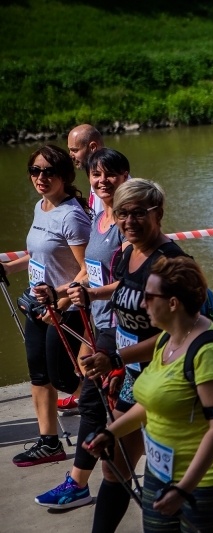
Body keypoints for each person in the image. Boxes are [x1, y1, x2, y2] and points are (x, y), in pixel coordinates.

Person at [85, 256, 213, 532]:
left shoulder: (212, 353)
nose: (141, 303)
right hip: (160, 473)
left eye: (149, 296)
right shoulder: (167, 339)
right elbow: (152, 405)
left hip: (207, 483)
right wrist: (112, 432)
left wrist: (184, 489)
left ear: (173, 303)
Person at [80, 178, 188, 533]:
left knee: (164, 472)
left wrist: (115, 359)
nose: (128, 221)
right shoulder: (130, 251)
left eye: (138, 213)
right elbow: (127, 287)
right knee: (115, 466)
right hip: (133, 378)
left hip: (165, 382)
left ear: (158, 214)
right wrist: (91, 294)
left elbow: (177, 337)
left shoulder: (171, 264)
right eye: (122, 213)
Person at [34, 149, 129, 509]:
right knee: (103, 398)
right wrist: (59, 294)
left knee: (95, 401)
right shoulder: (98, 218)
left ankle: (79, 483)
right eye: (96, 175)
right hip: (99, 322)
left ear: (125, 176)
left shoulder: (127, 220)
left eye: (111, 174)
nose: (102, 181)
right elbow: (90, 268)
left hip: (123, 326)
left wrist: (87, 294)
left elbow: (135, 278)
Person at [0, 145, 91, 466]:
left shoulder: (73, 215)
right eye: (35, 171)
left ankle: (112, 412)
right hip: (38, 305)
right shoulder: (42, 207)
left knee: (65, 379)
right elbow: (39, 254)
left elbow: (87, 270)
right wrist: (10, 268)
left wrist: (60, 293)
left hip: (64, 309)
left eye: (49, 171)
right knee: (39, 377)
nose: (41, 177)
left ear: (65, 176)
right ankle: (49, 442)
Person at [68, 124, 106, 219]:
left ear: (93, 147)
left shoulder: (109, 181)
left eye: (75, 150)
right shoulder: (97, 175)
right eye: (70, 150)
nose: (71, 156)